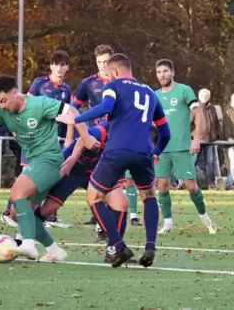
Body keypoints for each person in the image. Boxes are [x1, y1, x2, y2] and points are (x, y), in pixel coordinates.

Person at [0, 75, 98, 261]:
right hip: (34, 163)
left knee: (17, 193)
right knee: (20, 213)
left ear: (14, 92)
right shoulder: (2, 111)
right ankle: (53, 250)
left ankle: (28, 244)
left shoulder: (40, 104)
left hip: (50, 160)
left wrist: (84, 137)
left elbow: (74, 111)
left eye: (4, 100)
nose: (2, 106)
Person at [56, 53, 171, 268]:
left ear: (116, 71)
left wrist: (77, 118)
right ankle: (150, 247)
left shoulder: (114, 86)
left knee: (94, 197)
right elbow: (165, 132)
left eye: (109, 74)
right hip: (144, 152)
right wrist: (156, 152)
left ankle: (119, 246)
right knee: (148, 195)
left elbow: (106, 107)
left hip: (117, 150)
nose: (107, 78)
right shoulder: (150, 93)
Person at [0, 51, 73, 228]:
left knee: (49, 175)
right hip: (33, 136)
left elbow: (68, 113)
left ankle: (47, 215)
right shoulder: (40, 83)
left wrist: (68, 137)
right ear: (51, 66)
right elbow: (25, 106)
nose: (59, 68)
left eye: (63, 64)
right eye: (56, 64)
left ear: (67, 67)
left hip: (50, 140)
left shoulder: (66, 90)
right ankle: (8, 211)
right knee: (28, 173)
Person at [71, 45, 141, 228]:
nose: (103, 66)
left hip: (117, 138)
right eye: (99, 62)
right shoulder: (88, 83)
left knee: (118, 182)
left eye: (106, 62)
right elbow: (73, 109)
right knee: (98, 182)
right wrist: (74, 136)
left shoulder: (123, 83)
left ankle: (114, 222)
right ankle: (102, 226)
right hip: (95, 139)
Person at [154, 59, 216, 234]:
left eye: (165, 71)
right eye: (158, 72)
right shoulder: (155, 95)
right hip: (163, 149)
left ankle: (205, 218)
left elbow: (198, 115)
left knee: (191, 186)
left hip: (182, 147)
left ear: (172, 72)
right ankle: (167, 223)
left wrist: (196, 139)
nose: (162, 75)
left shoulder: (184, 90)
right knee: (163, 185)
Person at [194, 88, 220, 189]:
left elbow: (217, 122)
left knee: (210, 162)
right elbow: (189, 123)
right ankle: (192, 182)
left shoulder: (212, 108)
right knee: (193, 161)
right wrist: (194, 135)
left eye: (207, 95)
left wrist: (216, 135)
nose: (205, 97)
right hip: (198, 140)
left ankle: (211, 183)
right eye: (203, 95)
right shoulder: (195, 108)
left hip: (210, 140)